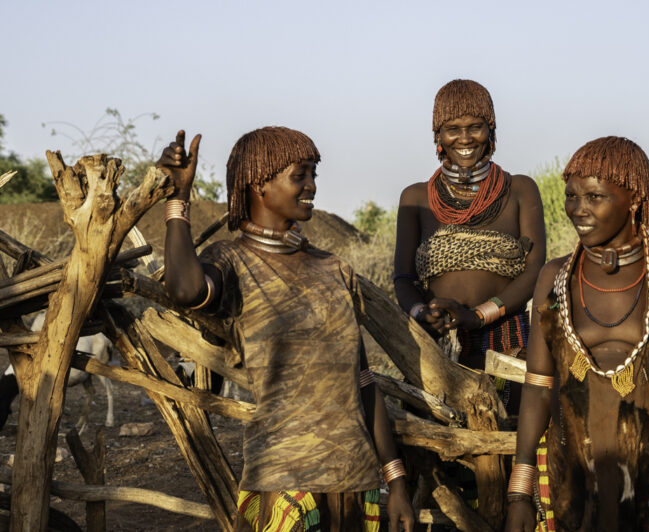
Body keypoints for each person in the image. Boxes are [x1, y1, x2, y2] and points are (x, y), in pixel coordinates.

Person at [159, 127, 415, 532]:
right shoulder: (231, 262)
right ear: (259, 183)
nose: (312, 186)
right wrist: (177, 199)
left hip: (353, 478)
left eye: (314, 175)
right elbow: (187, 289)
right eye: (301, 175)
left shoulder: (334, 269)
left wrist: (395, 480)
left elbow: (363, 381)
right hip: (281, 478)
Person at [505, 136, 649, 531]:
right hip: (573, 473)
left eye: (594, 196)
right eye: (571, 196)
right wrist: (519, 491)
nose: (578, 210)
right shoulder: (555, 277)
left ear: (633, 201)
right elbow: (535, 388)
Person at [394, 79, 546, 414]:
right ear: (438, 136)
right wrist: (424, 314)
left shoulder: (519, 190)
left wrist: (477, 317)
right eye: (453, 129)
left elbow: (535, 269)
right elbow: (403, 279)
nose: (464, 139)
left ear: (490, 131)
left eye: (475, 128)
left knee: (525, 429)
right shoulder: (416, 198)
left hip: (508, 342)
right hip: (438, 344)